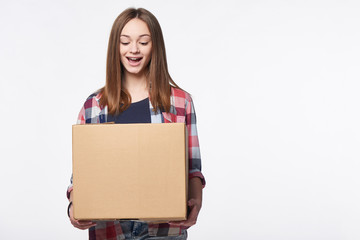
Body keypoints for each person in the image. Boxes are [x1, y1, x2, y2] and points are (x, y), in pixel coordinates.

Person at [66, 8, 205, 240]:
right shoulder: (95, 106)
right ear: (116, 47)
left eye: (143, 42)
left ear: (155, 47)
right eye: (125, 41)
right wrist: (73, 208)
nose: (133, 49)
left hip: (164, 231)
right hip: (109, 230)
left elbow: (193, 169)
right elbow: (81, 176)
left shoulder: (180, 102)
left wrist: (195, 204)